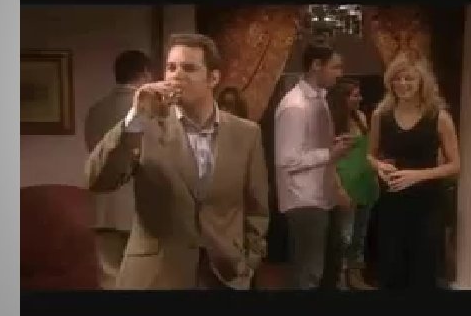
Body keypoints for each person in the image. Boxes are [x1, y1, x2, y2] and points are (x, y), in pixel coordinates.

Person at [85, 33, 269, 289]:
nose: (176, 75)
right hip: (156, 277)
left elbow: (257, 208)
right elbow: (97, 178)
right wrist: (135, 117)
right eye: (171, 67)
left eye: (189, 68)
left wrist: (248, 263)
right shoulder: (144, 127)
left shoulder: (247, 134)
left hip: (224, 275)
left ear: (213, 78)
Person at [367, 52, 460, 289]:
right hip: (391, 204)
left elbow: (455, 165)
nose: (402, 84)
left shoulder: (439, 117)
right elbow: (369, 155)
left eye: (409, 79)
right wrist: (379, 166)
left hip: (427, 206)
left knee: (423, 273)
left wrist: (417, 175)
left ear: (422, 82)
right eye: (397, 79)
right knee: (391, 272)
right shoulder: (380, 115)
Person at [274, 39, 354, 290]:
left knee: (328, 270)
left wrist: (333, 147)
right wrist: (329, 153)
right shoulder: (294, 106)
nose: (340, 74)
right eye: (335, 67)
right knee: (308, 274)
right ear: (316, 65)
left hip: (323, 196)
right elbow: (287, 159)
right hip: (303, 200)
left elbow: (311, 147)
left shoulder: (319, 99)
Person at [84, 50, 153, 289]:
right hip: (141, 209)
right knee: (143, 281)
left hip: (103, 208)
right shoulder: (151, 111)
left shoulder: (95, 110)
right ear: (145, 73)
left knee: (109, 280)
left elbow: (96, 156)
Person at [327, 78, 377, 290]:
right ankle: (339, 279)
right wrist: (337, 186)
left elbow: (369, 150)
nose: (360, 98)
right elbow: (329, 159)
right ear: (343, 98)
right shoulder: (332, 122)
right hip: (345, 183)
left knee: (359, 235)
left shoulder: (361, 118)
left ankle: (356, 276)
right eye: (355, 95)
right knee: (344, 236)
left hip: (365, 182)